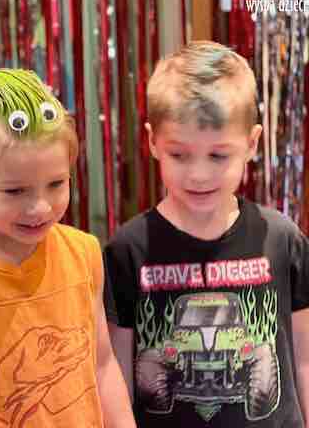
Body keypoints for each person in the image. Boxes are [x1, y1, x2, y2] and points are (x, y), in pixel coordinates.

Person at [0, 68, 135, 427]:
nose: (40, 208)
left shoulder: (84, 254)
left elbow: (102, 365)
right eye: (15, 191)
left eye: (56, 184)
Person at [104, 41, 309, 427]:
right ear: (152, 142)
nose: (199, 174)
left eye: (218, 155)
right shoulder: (128, 250)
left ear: (251, 144)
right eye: (179, 154)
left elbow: (304, 359)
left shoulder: (281, 238)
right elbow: (116, 376)